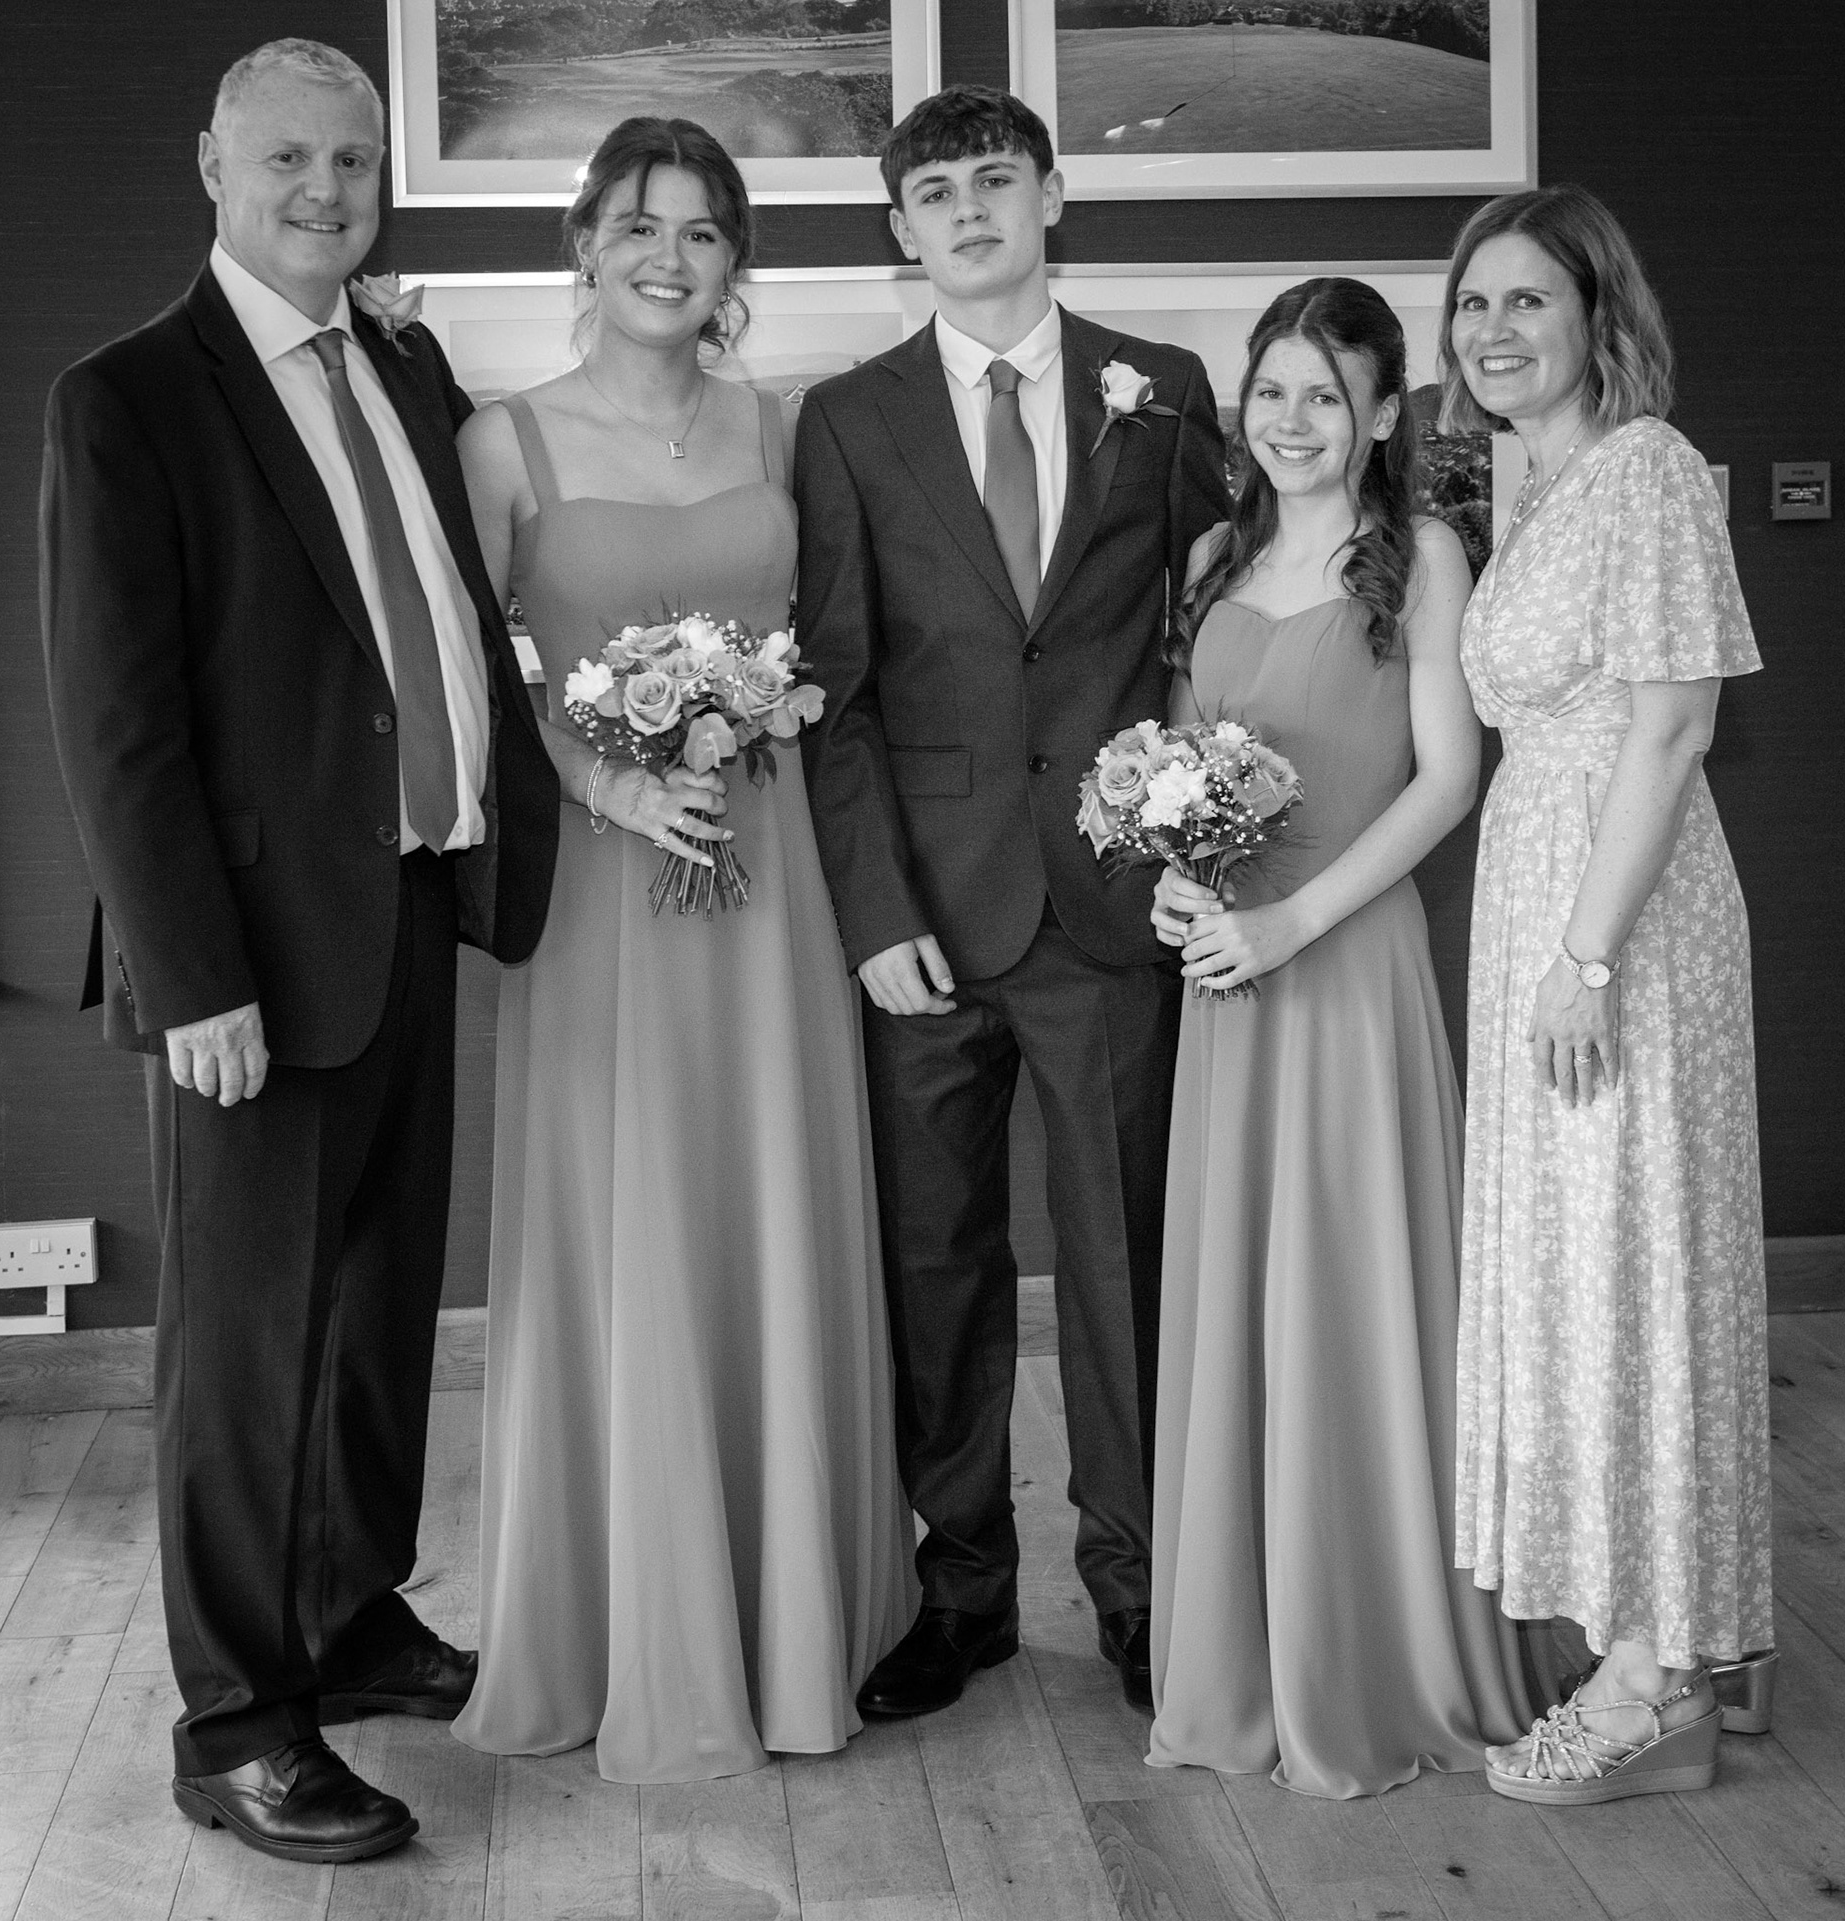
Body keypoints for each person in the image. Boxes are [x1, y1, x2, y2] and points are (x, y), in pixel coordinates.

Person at [38, 40, 559, 1864]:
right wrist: (193, 978)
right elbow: (117, 726)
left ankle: (347, 1611)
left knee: (379, 1309)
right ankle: (239, 1721)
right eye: (289, 160)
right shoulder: (128, 400)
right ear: (212, 165)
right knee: (247, 1352)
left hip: (406, 902)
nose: (327, 190)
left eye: (353, 160)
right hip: (247, 956)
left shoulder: (400, 364)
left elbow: (430, 618)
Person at [450, 117, 916, 1784]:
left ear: (735, 265)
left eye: (705, 231)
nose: (670, 256)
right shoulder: (501, 442)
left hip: (768, 877)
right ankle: (630, 1620)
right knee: (630, 1210)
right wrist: (606, 782)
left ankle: (796, 1621)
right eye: (640, 224)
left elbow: (844, 652)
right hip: (602, 885)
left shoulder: (788, 426)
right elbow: (467, 678)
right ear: (585, 242)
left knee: (769, 1197)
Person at [795, 85, 1230, 1721]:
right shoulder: (848, 419)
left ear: (1051, 196)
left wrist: (1201, 838)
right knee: (939, 1265)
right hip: (924, 921)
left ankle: (1138, 1585)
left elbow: (1216, 638)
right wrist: (870, 911)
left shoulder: (1162, 392)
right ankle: (961, 1588)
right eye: (935, 191)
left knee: (1124, 1265)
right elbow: (836, 691)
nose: (969, 209)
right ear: (900, 227)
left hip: (1113, 911)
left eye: (996, 178)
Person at [1143, 278, 1532, 1797]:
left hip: (1346, 958)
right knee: (1244, 1292)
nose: (1292, 420)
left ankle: (1370, 1643)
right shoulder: (1210, 558)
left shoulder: (1422, 556)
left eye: (1327, 394)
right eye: (1272, 390)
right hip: (1226, 973)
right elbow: (1183, 765)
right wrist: (1179, 875)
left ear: (1380, 414)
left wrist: (1296, 922)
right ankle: (1246, 1640)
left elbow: (1448, 780)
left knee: (1352, 1288)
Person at [1443, 184, 1771, 1805]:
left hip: (1617, 923)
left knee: (1639, 1266)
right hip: (1544, 897)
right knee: (1587, 1271)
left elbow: (1673, 727)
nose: (1494, 330)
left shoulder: (1645, 469)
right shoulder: (1537, 481)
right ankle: (1671, 1637)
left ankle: (1659, 1686)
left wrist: (1584, 955)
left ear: (1597, 314)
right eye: (1473, 304)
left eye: (1529, 300)